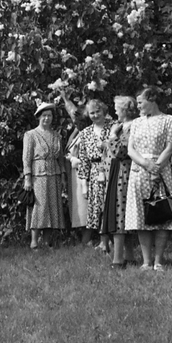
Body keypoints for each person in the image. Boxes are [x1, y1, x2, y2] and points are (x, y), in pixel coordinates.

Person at [124, 86, 172, 271]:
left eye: (141, 102)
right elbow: (130, 149)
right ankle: (146, 262)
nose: (138, 106)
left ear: (152, 99)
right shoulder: (136, 123)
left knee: (161, 213)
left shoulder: (169, 120)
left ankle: (158, 261)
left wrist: (156, 168)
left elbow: (170, 147)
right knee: (141, 215)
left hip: (160, 170)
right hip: (139, 170)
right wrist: (146, 165)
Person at [64, 97, 111, 247]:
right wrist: (84, 184)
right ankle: (103, 242)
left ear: (103, 111)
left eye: (98, 112)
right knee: (98, 207)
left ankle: (112, 240)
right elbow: (83, 160)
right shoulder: (85, 133)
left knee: (111, 205)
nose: (95, 115)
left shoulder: (114, 127)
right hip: (94, 172)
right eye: (92, 113)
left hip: (111, 169)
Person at [23, 99, 69, 248]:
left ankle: (47, 241)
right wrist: (27, 178)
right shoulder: (31, 135)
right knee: (39, 207)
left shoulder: (56, 135)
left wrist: (62, 176)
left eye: (49, 115)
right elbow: (26, 158)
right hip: (38, 175)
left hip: (54, 174)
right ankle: (34, 241)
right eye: (44, 116)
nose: (47, 118)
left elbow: (61, 158)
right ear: (39, 117)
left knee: (52, 206)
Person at [100, 94, 138, 267]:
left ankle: (118, 259)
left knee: (120, 214)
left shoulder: (132, 127)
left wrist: (113, 136)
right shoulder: (122, 125)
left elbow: (121, 152)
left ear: (124, 109)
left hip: (125, 171)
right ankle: (128, 256)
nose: (114, 110)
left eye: (117, 107)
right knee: (120, 213)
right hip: (116, 171)